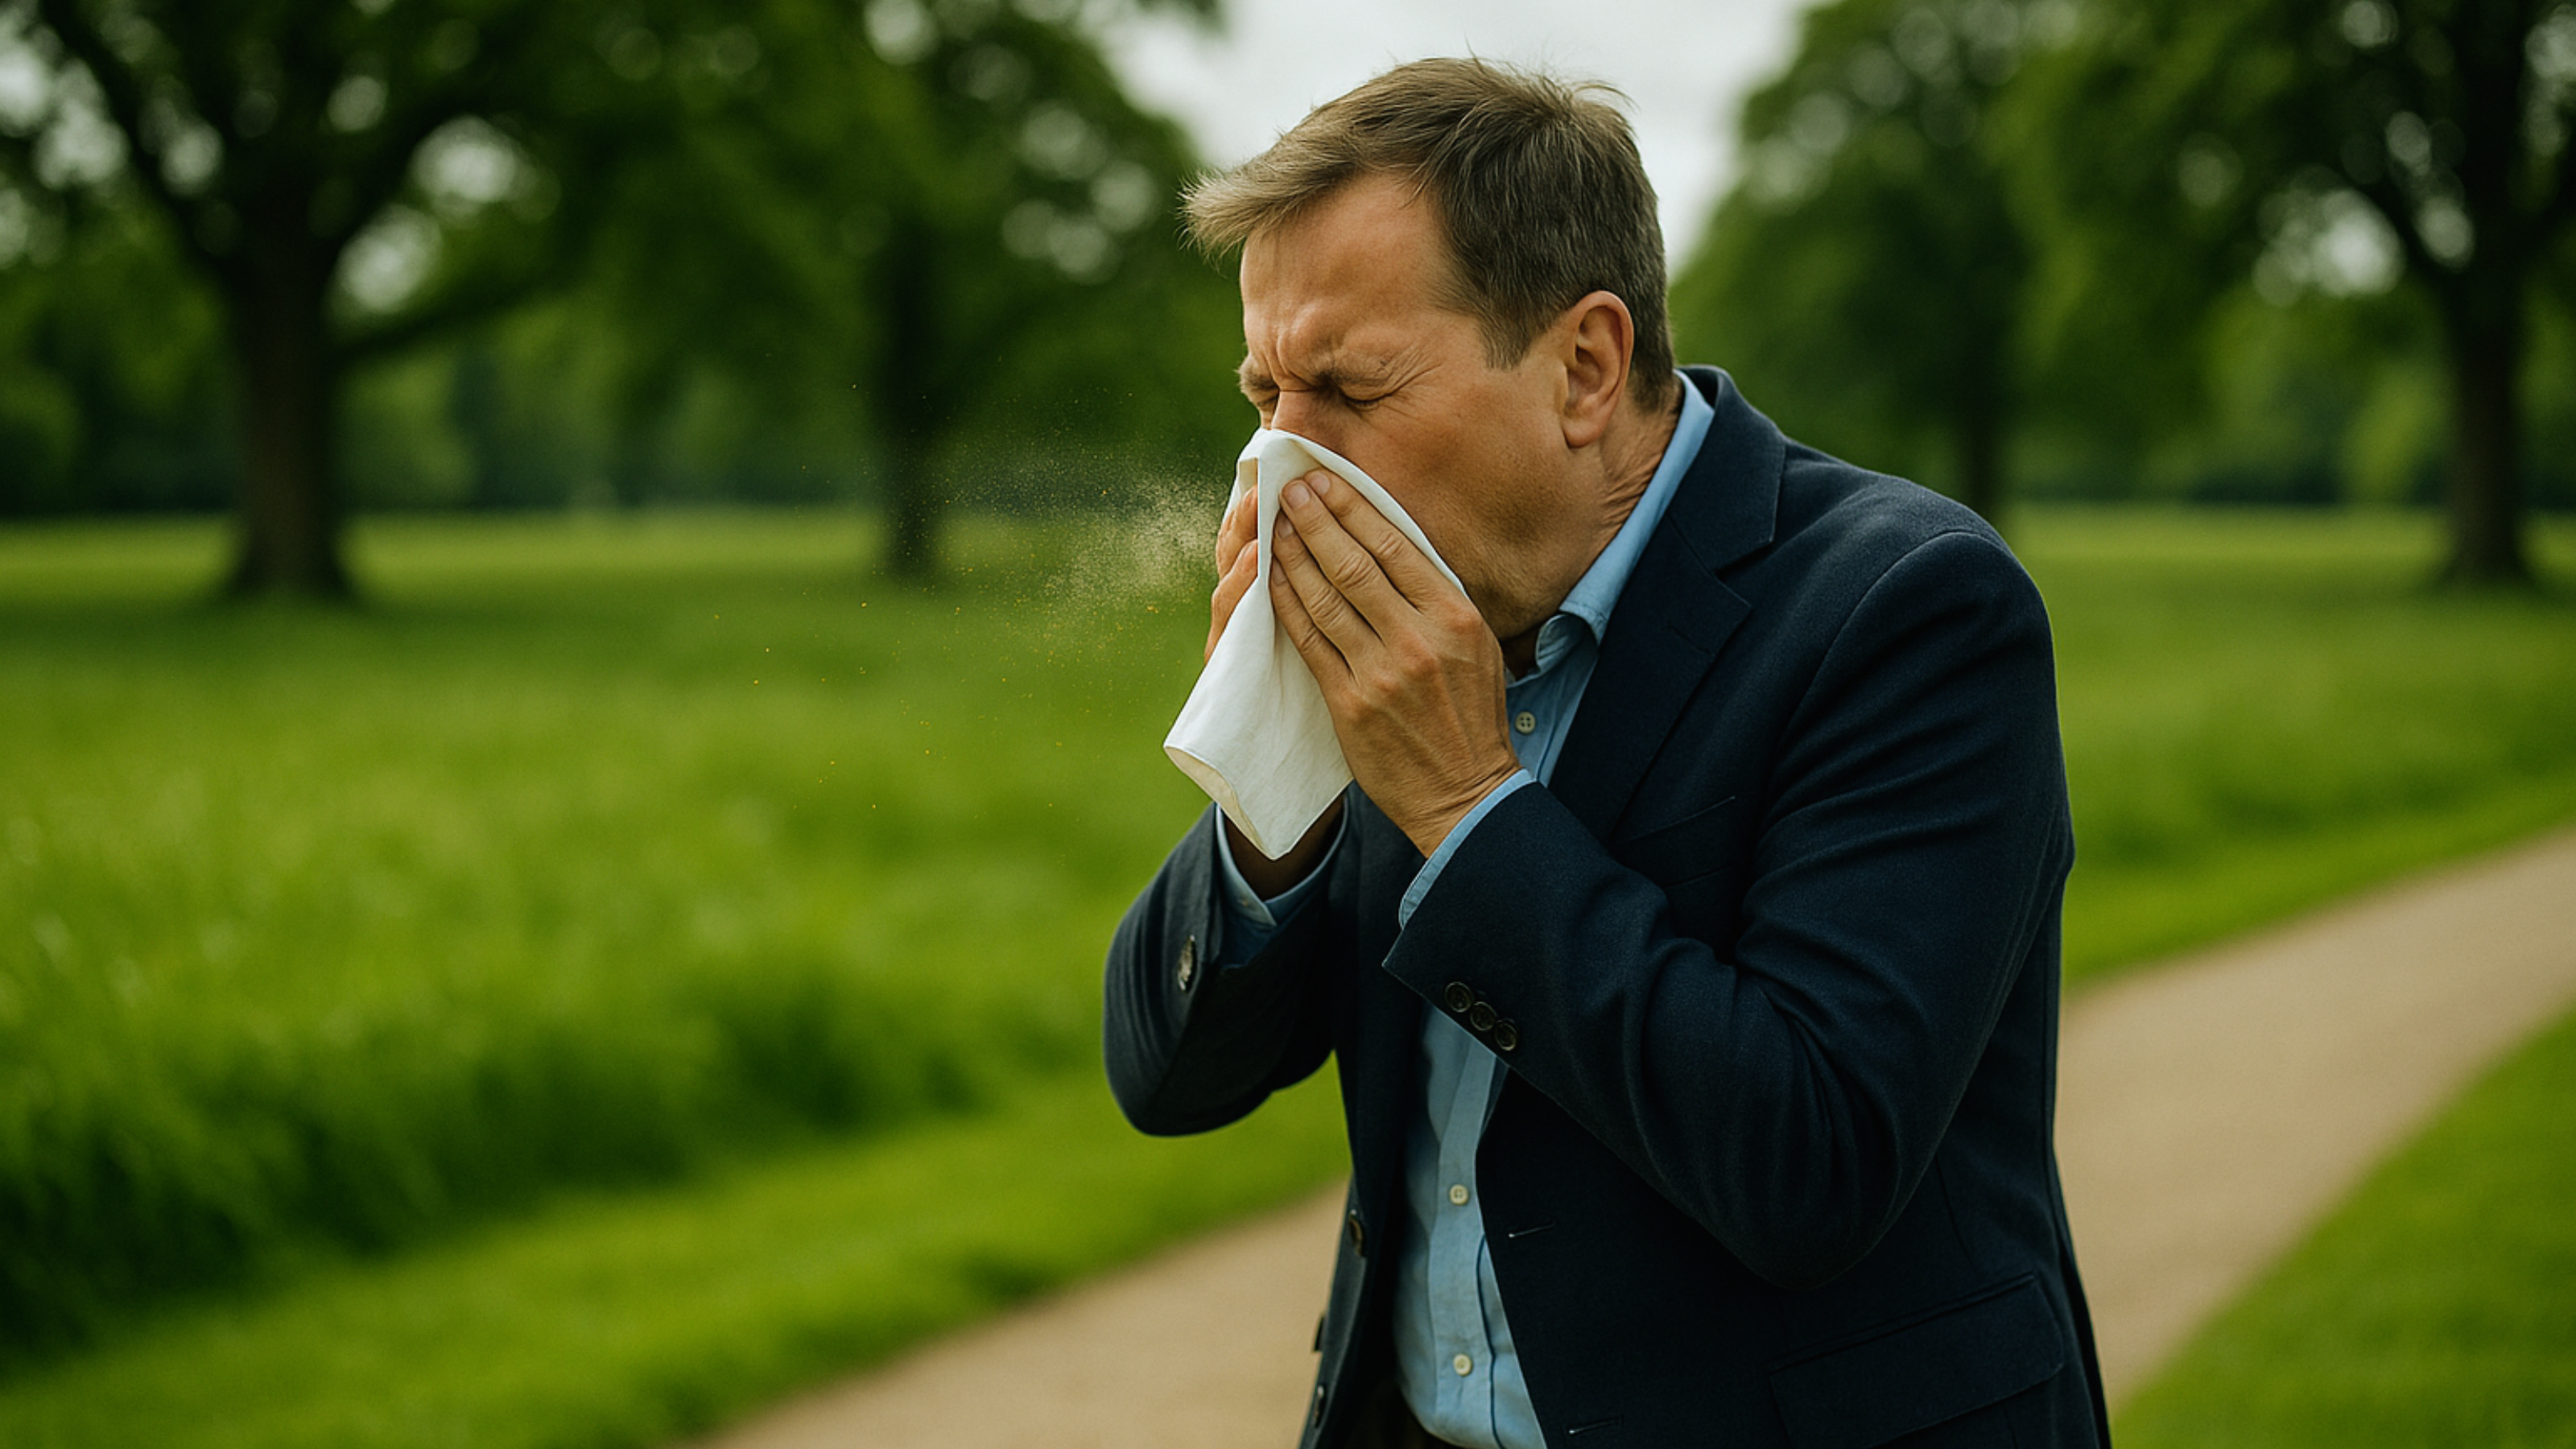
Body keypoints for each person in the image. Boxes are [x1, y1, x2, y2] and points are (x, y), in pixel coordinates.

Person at [1102, 57, 2107, 1449]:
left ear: (1585, 367)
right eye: (1264, 390)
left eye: (1347, 385)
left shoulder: (1909, 607)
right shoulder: (1419, 629)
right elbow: (1166, 1080)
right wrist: (1279, 795)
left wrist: (1468, 807)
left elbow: (1810, 1164)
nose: (1284, 461)